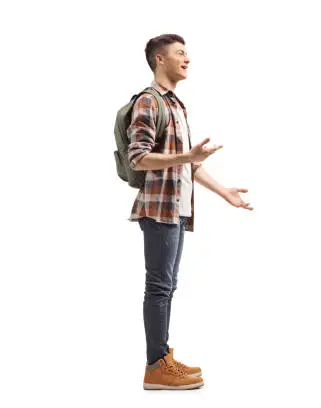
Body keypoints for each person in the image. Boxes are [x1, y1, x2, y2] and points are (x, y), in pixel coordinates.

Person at [127, 34, 253, 390]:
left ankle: (162, 357)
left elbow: (187, 166)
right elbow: (139, 156)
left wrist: (224, 191)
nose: (187, 59)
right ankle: (155, 366)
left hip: (177, 208)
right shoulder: (149, 102)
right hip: (158, 209)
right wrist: (186, 158)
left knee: (167, 286)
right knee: (158, 286)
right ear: (159, 59)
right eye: (180, 53)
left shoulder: (176, 105)